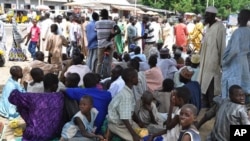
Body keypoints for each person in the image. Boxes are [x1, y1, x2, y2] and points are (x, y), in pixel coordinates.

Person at [8, 73, 64, 140]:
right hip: (53, 133)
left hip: (34, 135)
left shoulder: (33, 97)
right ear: (55, 85)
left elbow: (13, 96)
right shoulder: (60, 97)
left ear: (44, 84)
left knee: (23, 105)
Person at [198, 6, 226, 108]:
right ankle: (205, 107)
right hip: (204, 61)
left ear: (213, 16)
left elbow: (222, 46)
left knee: (211, 84)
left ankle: (212, 107)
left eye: (207, 15)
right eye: (205, 14)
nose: (205, 17)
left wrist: (222, 63)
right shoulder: (208, 27)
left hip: (213, 62)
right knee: (203, 85)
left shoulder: (220, 27)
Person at [221, 9, 250, 99]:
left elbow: (234, 50)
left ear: (240, 18)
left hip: (235, 61)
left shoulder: (238, 32)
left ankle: (230, 107)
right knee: (243, 83)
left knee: (232, 84)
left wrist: (225, 62)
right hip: (244, 61)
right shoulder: (248, 31)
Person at [107, 68, 141, 141]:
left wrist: (139, 121)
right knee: (138, 139)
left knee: (144, 133)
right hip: (118, 125)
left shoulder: (127, 91)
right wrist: (134, 135)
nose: (138, 79)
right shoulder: (126, 96)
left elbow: (130, 109)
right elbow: (124, 118)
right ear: (131, 79)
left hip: (125, 121)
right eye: (136, 77)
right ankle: (111, 131)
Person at [95, 9, 120, 76]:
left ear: (101, 15)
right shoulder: (112, 22)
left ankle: (97, 77)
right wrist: (112, 35)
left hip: (101, 45)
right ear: (107, 14)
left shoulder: (97, 23)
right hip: (109, 45)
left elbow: (96, 32)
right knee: (109, 62)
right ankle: (109, 76)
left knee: (99, 63)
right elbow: (119, 31)